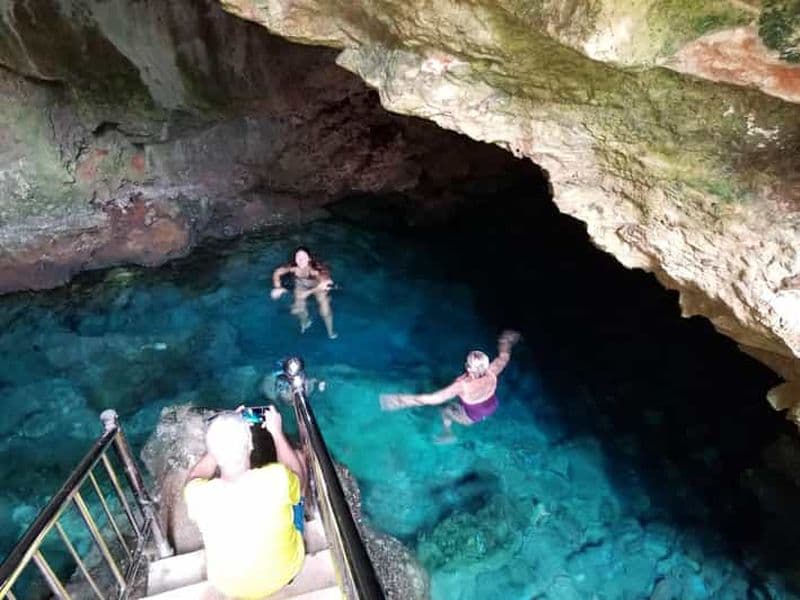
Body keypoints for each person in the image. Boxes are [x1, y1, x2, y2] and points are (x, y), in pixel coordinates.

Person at [184, 408, 306, 599]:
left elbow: (194, 476)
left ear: (214, 453)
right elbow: (298, 474)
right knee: (298, 459)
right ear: (250, 445)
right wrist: (276, 432)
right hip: (286, 572)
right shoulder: (276, 479)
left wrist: (218, 444)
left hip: (229, 587)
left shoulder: (197, 494)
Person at [380, 330, 521, 441]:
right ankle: (459, 417)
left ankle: (448, 433)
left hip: (473, 416)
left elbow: (432, 399)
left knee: (445, 410)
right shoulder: (492, 371)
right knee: (457, 403)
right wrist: (506, 340)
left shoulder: (462, 385)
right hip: (492, 405)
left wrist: (400, 401)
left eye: (467, 363)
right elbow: (504, 356)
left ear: (469, 368)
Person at [271, 247, 337, 339]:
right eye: (298, 257)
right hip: (301, 284)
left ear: (309, 258)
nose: (301, 260)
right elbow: (277, 272)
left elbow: (327, 284)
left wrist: (308, 293)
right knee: (297, 308)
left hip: (317, 285)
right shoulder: (293, 267)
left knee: (324, 306)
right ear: (295, 259)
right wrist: (278, 287)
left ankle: (330, 331)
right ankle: (305, 322)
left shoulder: (315, 270)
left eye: (304, 257)